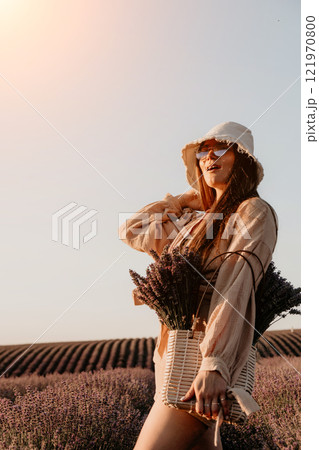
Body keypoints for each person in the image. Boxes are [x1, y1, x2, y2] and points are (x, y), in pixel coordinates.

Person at [119, 121, 278, 449]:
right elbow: (133, 229)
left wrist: (215, 364)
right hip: (172, 357)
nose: (209, 157)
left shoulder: (253, 211)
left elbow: (236, 286)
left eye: (221, 149)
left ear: (242, 160)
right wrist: (191, 198)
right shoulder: (195, 222)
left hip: (201, 361)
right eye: (203, 153)